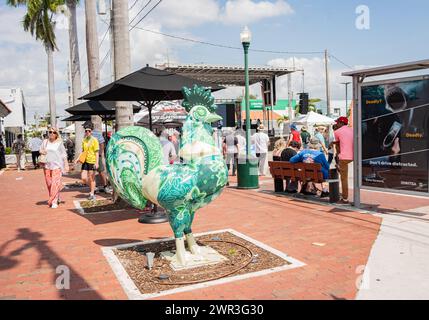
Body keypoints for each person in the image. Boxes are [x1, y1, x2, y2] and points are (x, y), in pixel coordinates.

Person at [39, 127, 69, 208]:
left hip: (57, 166)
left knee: (55, 184)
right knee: (49, 184)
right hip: (47, 166)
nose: (52, 134)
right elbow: (40, 150)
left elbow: (64, 154)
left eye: (54, 132)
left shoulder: (59, 143)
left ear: (56, 134)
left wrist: (66, 164)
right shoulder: (45, 142)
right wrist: (42, 151)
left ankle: (53, 201)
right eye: (50, 132)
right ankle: (56, 196)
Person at [331, 116, 353, 204]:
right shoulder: (352, 130)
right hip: (354, 155)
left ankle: (345, 198)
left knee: (344, 179)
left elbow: (337, 144)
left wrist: (331, 143)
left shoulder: (337, 132)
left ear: (341, 123)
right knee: (343, 173)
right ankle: (339, 167)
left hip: (344, 157)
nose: (336, 124)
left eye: (337, 122)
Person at [75, 122, 99, 201]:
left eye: (89, 131)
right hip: (85, 161)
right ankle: (93, 187)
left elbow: (97, 152)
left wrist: (96, 162)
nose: (87, 132)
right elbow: (83, 151)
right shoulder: (84, 140)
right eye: (86, 131)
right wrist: (78, 158)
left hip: (92, 161)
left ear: (91, 131)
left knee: (91, 178)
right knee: (83, 178)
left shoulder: (95, 140)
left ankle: (92, 193)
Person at [86, 122, 111, 194]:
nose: (85, 130)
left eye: (86, 128)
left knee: (101, 171)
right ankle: (95, 187)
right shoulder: (86, 135)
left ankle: (105, 186)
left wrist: (100, 153)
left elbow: (102, 144)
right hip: (89, 156)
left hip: (97, 156)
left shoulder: (97, 134)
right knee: (91, 173)